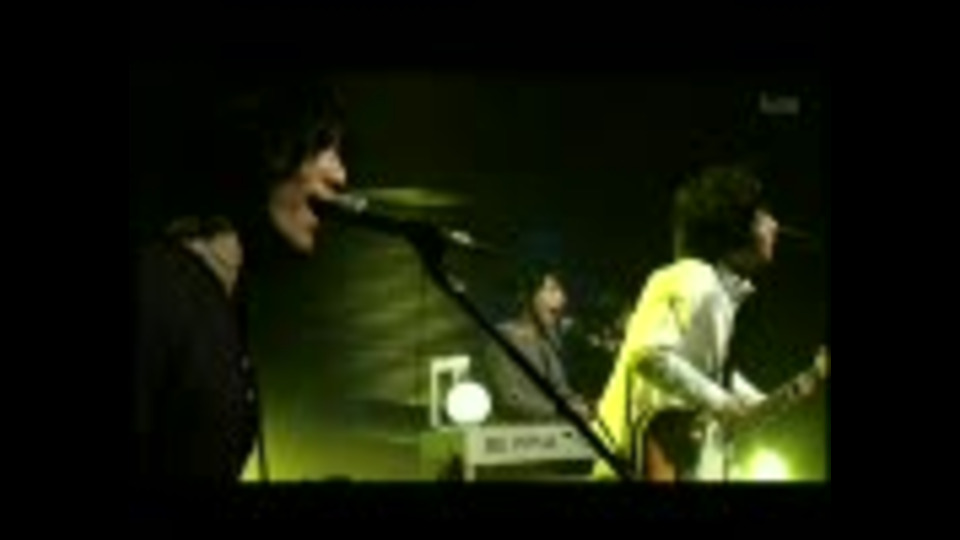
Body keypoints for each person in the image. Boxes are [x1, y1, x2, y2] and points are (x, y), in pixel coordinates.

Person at [131, 76, 348, 485]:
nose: (341, 175)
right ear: (264, 152)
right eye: (324, 148)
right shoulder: (156, 285)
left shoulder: (219, 299)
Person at [591, 165, 816, 482]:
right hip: (633, 465)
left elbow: (745, 413)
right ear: (734, 225)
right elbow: (647, 355)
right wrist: (722, 403)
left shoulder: (720, 295)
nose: (775, 225)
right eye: (763, 216)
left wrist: (810, 380)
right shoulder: (690, 274)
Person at [479, 267, 592, 424]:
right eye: (552, 290)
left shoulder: (549, 340)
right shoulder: (505, 338)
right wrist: (562, 410)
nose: (562, 298)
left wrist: (580, 403)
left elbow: (560, 389)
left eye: (561, 292)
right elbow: (512, 400)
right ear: (527, 296)